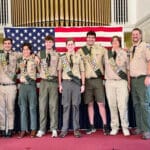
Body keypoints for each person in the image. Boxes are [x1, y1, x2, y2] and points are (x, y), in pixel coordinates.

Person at [77, 31, 109, 135]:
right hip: (87, 81)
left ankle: (105, 126)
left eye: (92, 37)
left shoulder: (101, 49)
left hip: (98, 80)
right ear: (86, 38)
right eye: (89, 37)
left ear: (95, 39)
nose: (90, 39)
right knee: (89, 104)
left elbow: (111, 56)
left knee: (101, 103)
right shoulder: (81, 51)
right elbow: (73, 60)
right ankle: (91, 126)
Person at [58, 38, 85, 138]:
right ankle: (64, 129)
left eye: (71, 44)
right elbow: (59, 71)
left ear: (74, 45)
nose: (70, 46)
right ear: (66, 46)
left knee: (76, 106)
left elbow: (82, 71)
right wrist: (60, 84)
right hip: (66, 83)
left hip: (76, 83)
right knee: (66, 106)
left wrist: (83, 84)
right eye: (68, 44)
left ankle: (76, 129)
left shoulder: (79, 57)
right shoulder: (63, 57)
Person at [104, 36, 130, 136]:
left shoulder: (124, 53)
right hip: (109, 82)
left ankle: (125, 127)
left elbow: (128, 69)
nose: (115, 42)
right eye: (113, 41)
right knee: (112, 105)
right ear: (111, 43)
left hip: (121, 82)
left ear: (119, 42)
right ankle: (114, 127)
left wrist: (128, 82)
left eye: (117, 41)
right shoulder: (106, 53)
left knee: (122, 105)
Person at [36, 35, 59, 138]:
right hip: (44, 82)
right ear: (44, 43)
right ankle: (42, 129)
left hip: (53, 82)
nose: (48, 44)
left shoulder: (57, 54)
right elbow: (37, 67)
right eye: (47, 42)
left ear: (53, 43)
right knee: (42, 106)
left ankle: (54, 128)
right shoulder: (40, 54)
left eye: (50, 42)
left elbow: (59, 70)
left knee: (53, 106)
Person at [130, 28, 150, 139]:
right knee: (136, 105)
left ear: (141, 35)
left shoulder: (145, 46)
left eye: (137, 34)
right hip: (134, 80)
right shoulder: (132, 48)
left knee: (144, 105)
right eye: (133, 34)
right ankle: (139, 127)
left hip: (143, 79)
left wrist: (148, 76)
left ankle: (147, 130)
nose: (135, 36)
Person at [0, 38, 22, 137]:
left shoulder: (16, 55)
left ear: (11, 45)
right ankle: (2, 128)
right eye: (5, 43)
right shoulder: (0, 55)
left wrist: (36, 56)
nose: (7, 45)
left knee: (10, 108)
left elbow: (27, 55)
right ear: (3, 45)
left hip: (11, 85)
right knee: (1, 109)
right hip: (1, 85)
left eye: (9, 43)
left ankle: (10, 129)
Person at [17, 43, 38, 138]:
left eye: (27, 49)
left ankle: (33, 129)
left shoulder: (34, 59)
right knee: (23, 109)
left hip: (31, 85)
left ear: (30, 50)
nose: (25, 51)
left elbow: (41, 69)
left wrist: (37, 56)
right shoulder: (20, 60)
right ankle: (23, 129)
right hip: (22, 87)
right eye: (24, 49)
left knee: (32, 108)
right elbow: (15, 70)